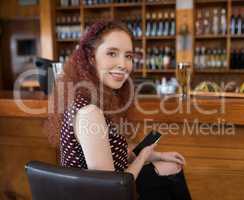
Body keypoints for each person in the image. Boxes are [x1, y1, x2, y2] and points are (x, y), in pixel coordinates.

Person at [46, 20, 192, 200]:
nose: (123, 64)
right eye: (112, 53)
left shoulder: (93, 98)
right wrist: (142, 156)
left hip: (99, 186)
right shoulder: (89, 112)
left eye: (128, 56)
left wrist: (157, 155)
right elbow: (110, 190)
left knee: (172, 167)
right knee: (171, 176)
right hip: (98, 195)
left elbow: (115, 155)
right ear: (91, 57)